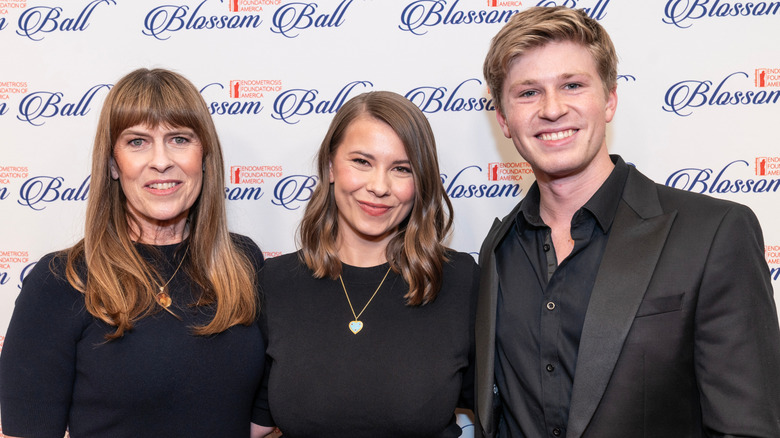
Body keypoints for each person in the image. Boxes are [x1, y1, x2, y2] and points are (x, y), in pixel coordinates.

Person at [475, 6, 780, 438]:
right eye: (528, 93)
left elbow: (747, 427)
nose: (553, 109)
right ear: (504, 119)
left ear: (610, 100)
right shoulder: (498, 249)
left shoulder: (713, 233)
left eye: (573, 85)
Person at [0, 68, 274, 438]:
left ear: (205, 157)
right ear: (113, 164)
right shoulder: (61, 280)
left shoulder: (242, 261)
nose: (160, 161)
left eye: (179, 139)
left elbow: (258, 413)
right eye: (137, 142)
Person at [254, 91, 479, 437]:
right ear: (331, 166)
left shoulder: (460, 282)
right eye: (362, 162)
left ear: (421, 182)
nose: (379, 186)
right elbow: (252, 423)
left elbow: (510, 411)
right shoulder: (274, 282)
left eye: (402, 169)